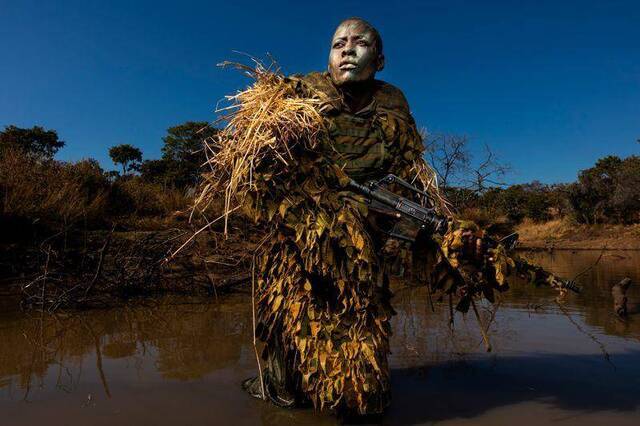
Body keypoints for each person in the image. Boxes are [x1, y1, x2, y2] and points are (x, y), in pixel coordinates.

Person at [240, 17, 498, 417]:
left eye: (359, 43)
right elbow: (259, 170)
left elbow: (412, 179)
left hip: (366, 239)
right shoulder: (297, 94)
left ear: (379, 59)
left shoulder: (393, 103)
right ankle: (285, 390)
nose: (347, 49)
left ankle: (356, 400)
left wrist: (444, 231)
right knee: (291, 339)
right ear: (328, 56)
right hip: (301, 240)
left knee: (361, 348)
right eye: (338, 43)